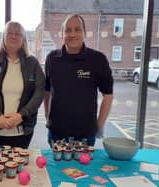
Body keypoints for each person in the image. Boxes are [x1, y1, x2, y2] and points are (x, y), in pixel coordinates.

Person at [44, 14, 113, 146]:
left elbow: (108, 95)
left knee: (85, 167)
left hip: (85, 134)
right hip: (57, 132)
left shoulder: (98, 59)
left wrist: (98, 124)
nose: (72, 34)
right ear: (62, 34)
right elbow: (47, 91)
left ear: (84, 33)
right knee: (55, 166)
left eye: (77, 29)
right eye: (68, 30)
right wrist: (47, 117)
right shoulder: (52, 59)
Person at [0, 21, 45, 149]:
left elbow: (39, 92)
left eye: (18, 34)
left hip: (22, 130)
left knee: (19, 167)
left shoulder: (33, 63)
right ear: (3, 36)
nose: (13, 36)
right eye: (10, 33)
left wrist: (21, 115)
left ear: (23, 39)